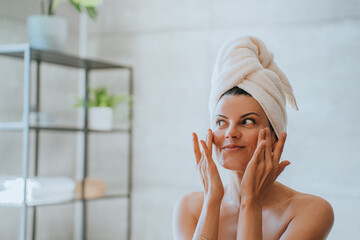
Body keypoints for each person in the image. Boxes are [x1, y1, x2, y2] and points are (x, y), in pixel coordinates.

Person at [173, 36, 334, 240]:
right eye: (221, 122)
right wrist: (212, 200)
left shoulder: (310, 211)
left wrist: (251, 202)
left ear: (275, 137)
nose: (230, 133)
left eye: (247, 121)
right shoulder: (190, 208)